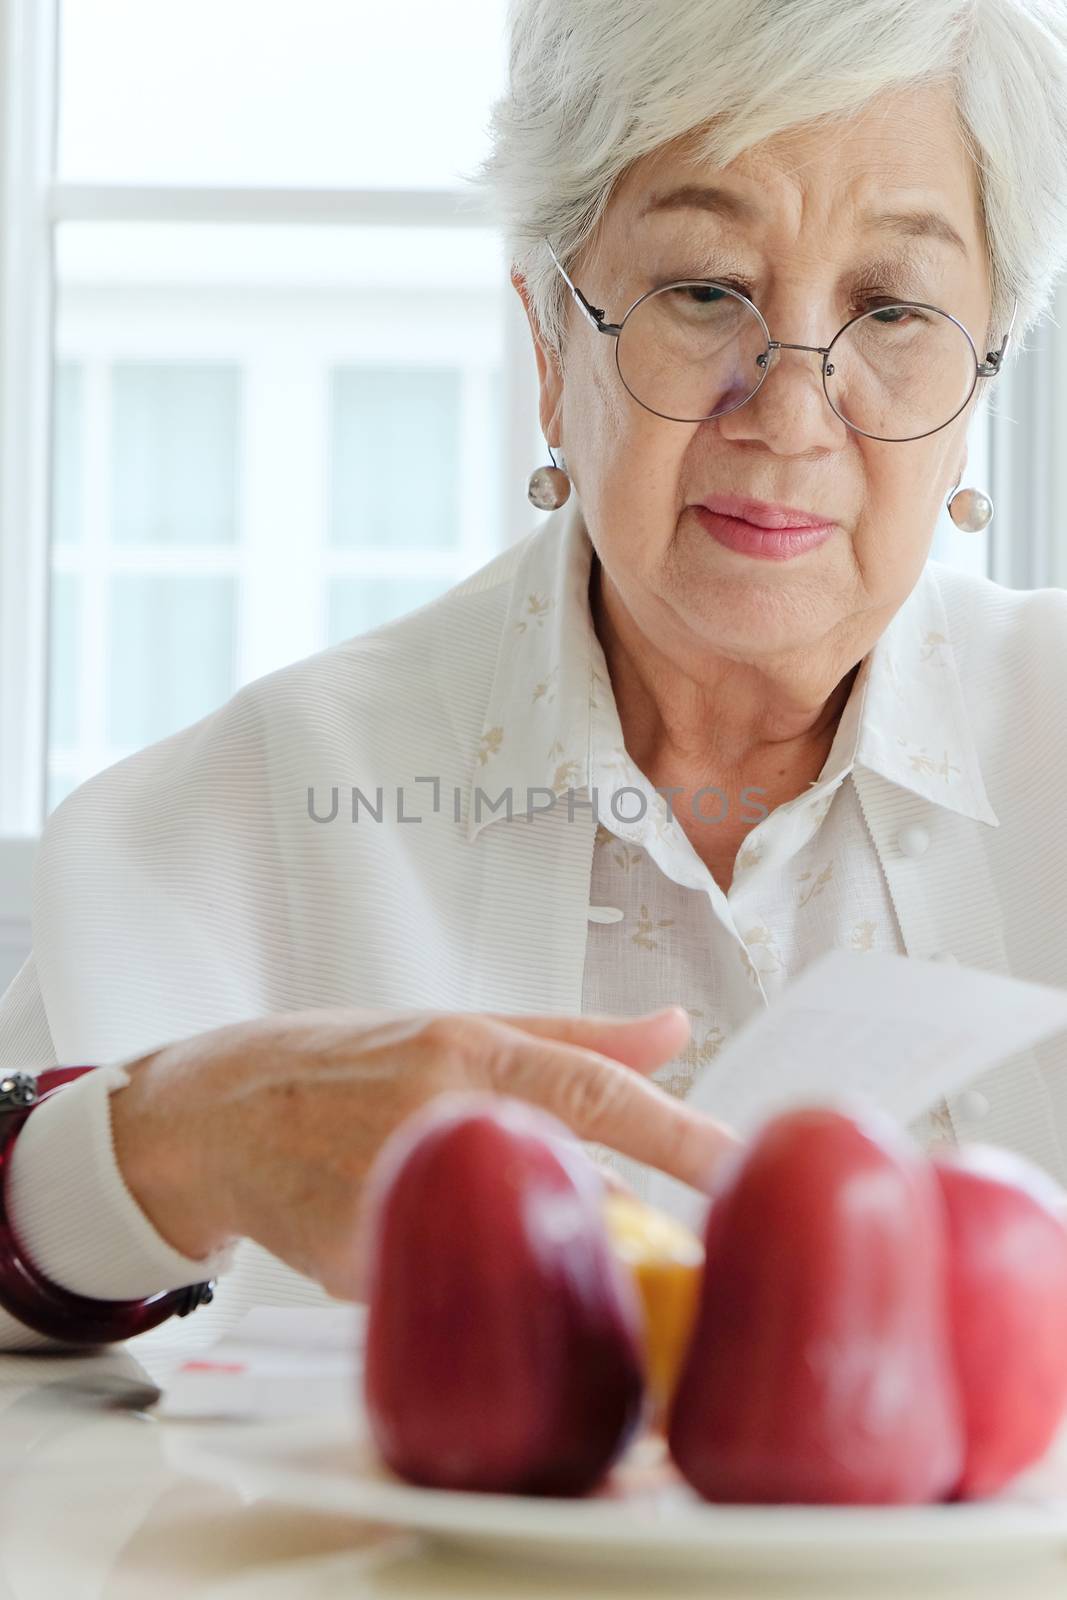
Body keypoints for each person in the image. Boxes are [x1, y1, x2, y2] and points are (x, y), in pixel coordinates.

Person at [2, 0, 1067, 1354]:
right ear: (551, 347)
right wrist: (174, 1147)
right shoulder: (240, 817)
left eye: (896, 306)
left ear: (984, 372)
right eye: (703, 288)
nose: (794, 412)